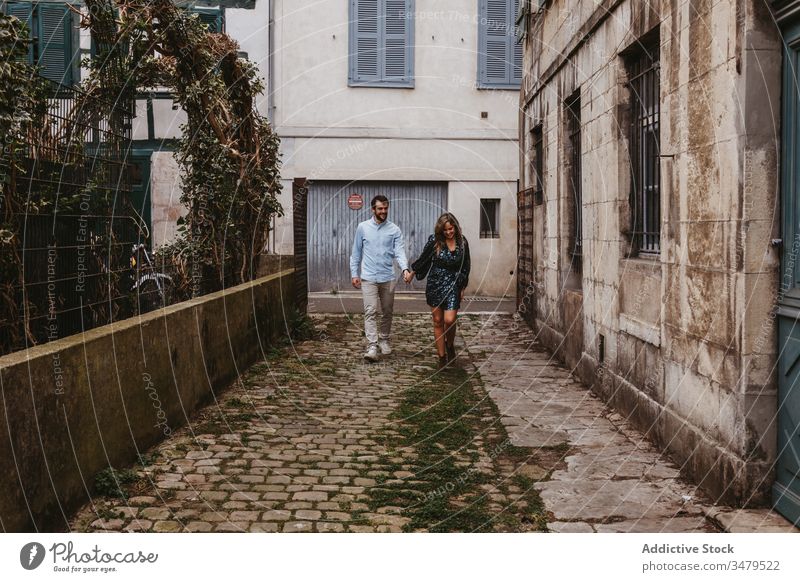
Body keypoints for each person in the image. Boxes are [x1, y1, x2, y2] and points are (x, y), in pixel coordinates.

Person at [405, 213, 471, 369]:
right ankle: (442, 358)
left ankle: (450, 345)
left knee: (449, 320)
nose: (449, 232)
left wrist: (462, 287)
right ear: (441, 231)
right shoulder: (434, 241)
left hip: (454, 284)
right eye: (445, 230)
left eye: (451, 228)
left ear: (455, 226)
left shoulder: (463, 242)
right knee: (437, 321)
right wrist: (411, 273)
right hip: (435, 283)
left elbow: (466, 266)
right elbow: (423, 259)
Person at [350, 195, 411, 362]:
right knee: (370, 311)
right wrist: (354, 273)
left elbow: (399, 251)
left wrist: (405, 269)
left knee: (387, 311)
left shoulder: (394, 230)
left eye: (385, 208)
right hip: (368, 277)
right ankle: (372, 346)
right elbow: (356, 252)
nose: (383, 212)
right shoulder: (362, 227)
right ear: (373, 209)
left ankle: (384, 339)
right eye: (380, 209)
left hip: (388, 277)